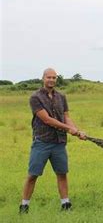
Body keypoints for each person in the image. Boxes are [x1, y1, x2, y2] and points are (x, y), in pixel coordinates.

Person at [19, 68, 86, 213]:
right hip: (42, 141)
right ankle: (24, 205)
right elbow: (47, 120)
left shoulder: (61, 97)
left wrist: (77, 131)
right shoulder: (35, 97)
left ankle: (65, 204)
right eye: (49, 77)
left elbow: (66, 116)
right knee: (33, 174)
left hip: (59, 142)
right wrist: (69, 130)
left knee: (62, 173)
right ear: (43, 78)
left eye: (54, 77)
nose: (51, 80)